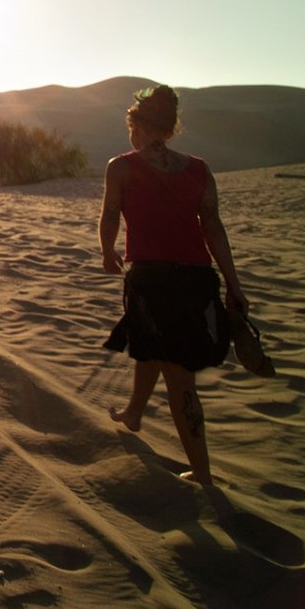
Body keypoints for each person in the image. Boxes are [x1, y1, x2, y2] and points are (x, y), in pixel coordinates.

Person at [99, 85, 248, 485]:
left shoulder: (122, 166)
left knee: (178, 376)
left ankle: (202, 473)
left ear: (136, 124)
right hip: (198, 280)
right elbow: (214, 228)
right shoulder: (199, 168)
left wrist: (106, 250)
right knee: (150, 346)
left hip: (153, 281)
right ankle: (133, 413)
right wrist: (233, 283)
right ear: (170, 127)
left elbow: (111, 213)